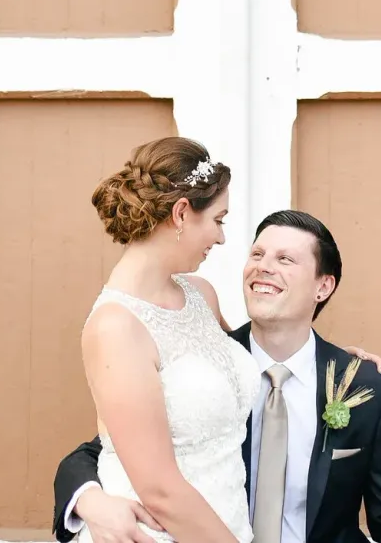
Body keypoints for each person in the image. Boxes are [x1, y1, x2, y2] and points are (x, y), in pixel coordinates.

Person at [59, 204, 381, 543]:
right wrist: (87, 500)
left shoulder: (365, 386)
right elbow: (101, 450)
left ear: (323, 286)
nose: (263, 266)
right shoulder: (209, 367)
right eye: (257, 254)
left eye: (285, 259)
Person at [80, 137, 261, 543]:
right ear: (182, 213)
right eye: (219, 220)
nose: (221, 238)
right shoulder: (116, 328)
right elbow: (159, 491)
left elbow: (250, 361)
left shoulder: (201, 295)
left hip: (230, 525)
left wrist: (330, 356)